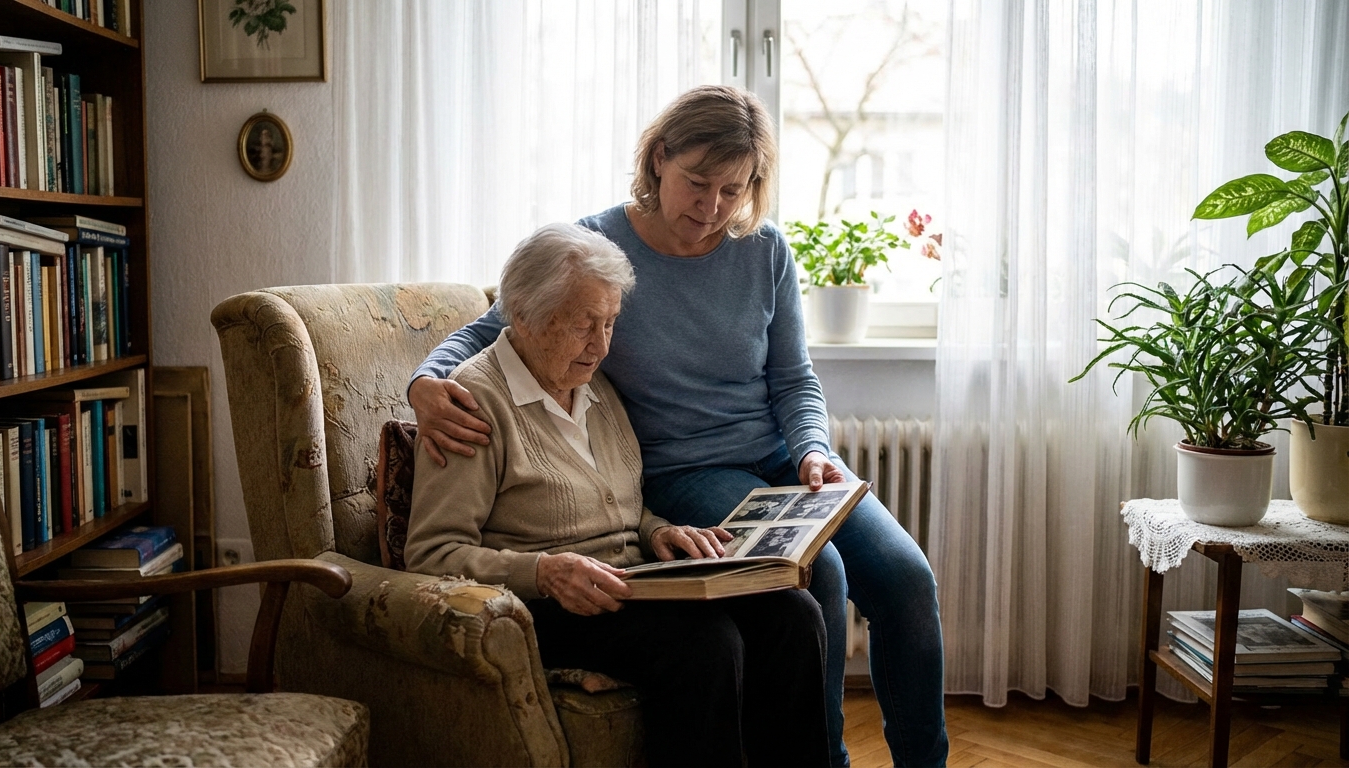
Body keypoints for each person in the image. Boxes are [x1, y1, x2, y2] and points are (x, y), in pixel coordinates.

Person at [408, 85, 948, 767]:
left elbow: (794, 381)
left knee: (907, 579)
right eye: (698, 183)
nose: (713, 207)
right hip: (686, 472)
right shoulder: (596, 247)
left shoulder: (763, 250)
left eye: (735, 189)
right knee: (820, 576)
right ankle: (825, 758)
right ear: (660, 158)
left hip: (781, 459)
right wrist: (425, 382)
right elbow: (497, 328)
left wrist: (813, 450)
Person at [403, 222, 831, 768]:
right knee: (705, 646)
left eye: (610, 323)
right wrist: (545, 571)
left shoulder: (596, 386)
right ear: (527, 316)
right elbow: (431, 553)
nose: (602, 345)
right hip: (550, 607)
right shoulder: (472, 404)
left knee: (792, 615)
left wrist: (659, 531)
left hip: (634, 583)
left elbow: (621, 503)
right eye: (585, 325)